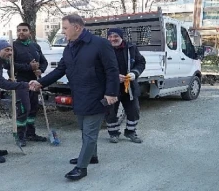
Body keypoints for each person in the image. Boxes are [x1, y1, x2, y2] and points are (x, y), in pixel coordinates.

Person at [29, 15, 120, 181]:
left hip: (96, 95)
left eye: (65, 28)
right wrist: (40, 82)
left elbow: (112, 70)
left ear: (77, 27)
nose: (62, 31)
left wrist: (111, 93)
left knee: (90, 132)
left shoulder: (100, 44)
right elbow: (60, 70)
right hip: (78, 94)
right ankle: (92, 156)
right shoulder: (69, 47)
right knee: (84, 130)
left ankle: (81, 168)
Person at [105, 28, 146, 144]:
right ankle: (113, 133)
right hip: (111, 87)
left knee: (134, 110)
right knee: (110, 111)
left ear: (121, 37)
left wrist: (134, 73)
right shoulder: (104, 49)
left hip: (129, 87)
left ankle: (131, 132)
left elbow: (141, 63)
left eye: (115, 36)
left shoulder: (131, 48)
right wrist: (114, 76)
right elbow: (98, 67)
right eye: (110, 36)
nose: (113, 39)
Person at [12, 22, 49, 147]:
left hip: (35, 82)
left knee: (33, 108)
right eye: (19, 30)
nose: (21, 32)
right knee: (23, 109)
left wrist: (40, 70)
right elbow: (9, 65)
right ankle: (20, 136)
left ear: (30, 32)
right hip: (21, 82)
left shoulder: (35, 46)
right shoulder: (13, 46)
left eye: (24, 30)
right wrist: (29, 67)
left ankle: (30, 133)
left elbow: (44, 62)